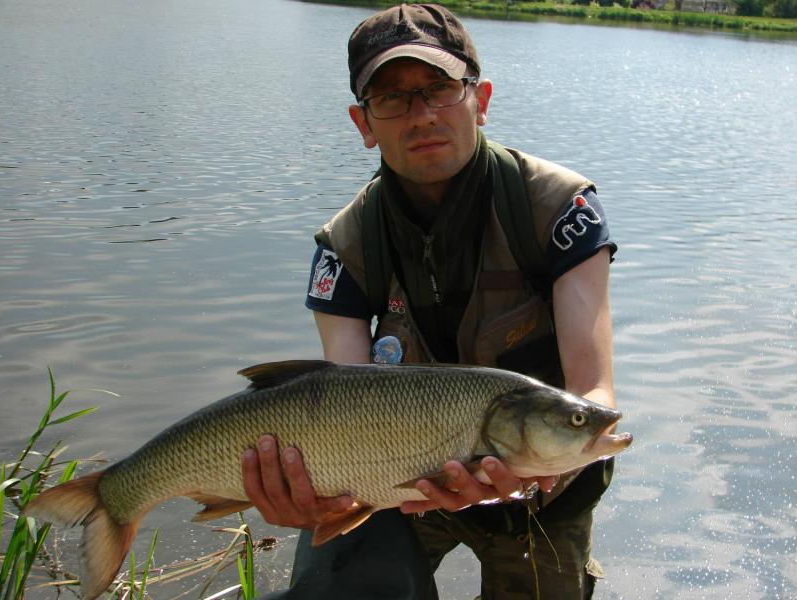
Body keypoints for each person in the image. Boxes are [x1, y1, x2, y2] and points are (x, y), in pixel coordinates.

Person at [241, 4, 618, 599]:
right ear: (363, 122)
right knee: (339, 582)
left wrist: (538, 465)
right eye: (392, 98)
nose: (421, 115)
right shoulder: (344, 247)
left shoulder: (559, 209)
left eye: (440, 88)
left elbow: (595, 391)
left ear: (480, 99)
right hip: (397, 485)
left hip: (544, 493)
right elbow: (340, 402)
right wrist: (313, 496)